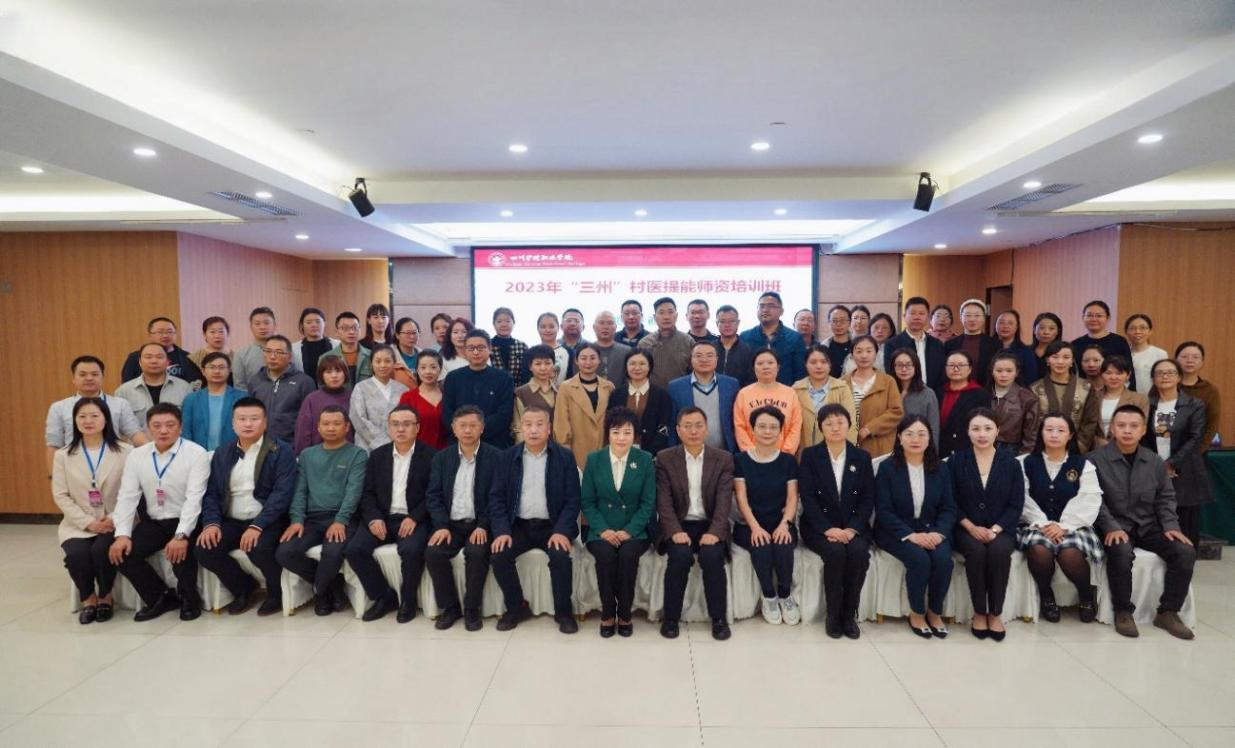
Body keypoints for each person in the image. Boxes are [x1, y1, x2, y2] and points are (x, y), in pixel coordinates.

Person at [1090, 405, 1196, 639]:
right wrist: (1110, 526)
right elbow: (1094, 500)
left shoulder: (1155, 461)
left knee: (1185, 551)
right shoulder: (1095, 460)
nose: (1127, 430)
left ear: (1143, 430)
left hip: (1148, 525)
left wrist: (1171, 526)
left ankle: (1168, 612)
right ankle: (1123, 612)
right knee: (1121, 551)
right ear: (1112, 429)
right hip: (1115, 525)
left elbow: (1166, 497)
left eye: (1134, 426)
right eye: (1121, 425)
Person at [193, 397, 296, 617]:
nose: (248, 424)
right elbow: (212, 493)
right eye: (242, 419)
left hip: (268, 520)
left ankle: (275, 593)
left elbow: (282, 494)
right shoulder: (223, 453)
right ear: (233, 424)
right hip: (232, 519)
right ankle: (243, 588)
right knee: (205, 549)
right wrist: (212, 523)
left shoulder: (280, 450)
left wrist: (257, 526)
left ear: (265, 422)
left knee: (259, 547)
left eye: (254, 419)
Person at [108, 403, 210, 621]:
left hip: (188, 520)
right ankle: (160, 597)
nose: (163, 431)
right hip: (154, 521)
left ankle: (190, 599)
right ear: (148, 428)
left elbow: (194, 498)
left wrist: (181, 535)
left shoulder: (195, 453)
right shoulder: (137, 455)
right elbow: (127, 496)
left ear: (180, 427)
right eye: (157, 425)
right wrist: (122, 534)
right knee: (123, 554)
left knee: (181, 554)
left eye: (170, 425)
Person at [488, 405, 580, 634]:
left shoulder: (565, 457)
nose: (534, 430)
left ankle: (564, 613)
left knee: (560, 557)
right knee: (499, 555)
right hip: (518, 525)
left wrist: (562, 531)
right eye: (528, 425)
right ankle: (516, 607)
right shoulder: (507, 457)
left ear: (549, 428)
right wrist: (502, 531)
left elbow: (573, 500)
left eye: (540, 424)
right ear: (521, 428)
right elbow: (496, 498)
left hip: (553, 526)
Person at [345, 405, 436, 622]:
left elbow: (434, 494)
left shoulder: (431, 456)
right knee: (354, 550)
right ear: (388, 427)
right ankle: (383, 596)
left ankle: (408, 601)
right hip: (382, 517)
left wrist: (414, 517)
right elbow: (367, 493)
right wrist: (374, 518)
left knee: (412, 550)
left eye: (406, 424)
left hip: (413, 518)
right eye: (395, 424)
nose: (400, 429)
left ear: (417, 428)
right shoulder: (378, 456)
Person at [276, 406, 367, 616]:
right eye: (325, 424)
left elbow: (354, 492)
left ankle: (320, 593)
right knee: (285, 552)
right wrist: (297, 520)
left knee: (332, 552)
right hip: (312, 519)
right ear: (318, 427)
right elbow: (300, 490)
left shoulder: (358, 454)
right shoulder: (307, 455)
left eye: (336, 423)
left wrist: (341, 520)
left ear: (347, 427)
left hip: (343, 518)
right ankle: (332, 586)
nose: (331, 428)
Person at [655, 407, 734, 641]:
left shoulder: (723, 459)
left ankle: (718, 619)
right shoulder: (665, 458)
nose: (693, 431)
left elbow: (724, 502)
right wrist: (674, 531)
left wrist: (715, 532)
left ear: (707, 429)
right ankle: (671, 618)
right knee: (679, 557)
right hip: (679, 523)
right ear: (678, 430)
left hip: (710, 524)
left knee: (712, 557)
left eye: (699, 425)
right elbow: (663, 502)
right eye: (687, 426)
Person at [875, 414, 957, 638]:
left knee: (943, 561)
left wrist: (939, 533)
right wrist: (911, 535)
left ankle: (935, 612)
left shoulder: (940, 468)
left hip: (933, 530)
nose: (915, 439)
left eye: (922, 434)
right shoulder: (887, 468)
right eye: (909, 434)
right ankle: (917, 612)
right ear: (899, 437)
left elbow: (949, 508)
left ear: (929, 438)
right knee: (920, 560)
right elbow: (884, 510)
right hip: (896, 532)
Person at [52, 398, 132, 624]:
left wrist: (113, 518)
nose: (88, 421)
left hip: (114, 520)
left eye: (95, 416)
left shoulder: (126, 451)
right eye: (82, 416)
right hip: (78, 523)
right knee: (76, 554)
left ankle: (106, 597)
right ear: (75, 421)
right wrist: (87, 522)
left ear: (106, 419)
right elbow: (60, 495)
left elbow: (131, 492)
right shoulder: (63, 455)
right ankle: (88, 599)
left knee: (100, 551)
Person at [798, 403, 874, 639]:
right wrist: (827, 529)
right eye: (829, 423)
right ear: (821, 427)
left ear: (849, 425)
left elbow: (868, 499)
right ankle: (833, 615)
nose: (835, 427)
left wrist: (852, 529)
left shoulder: (862, 457)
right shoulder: (810, 456)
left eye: (840, 422)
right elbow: (808, 498)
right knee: (835, 553)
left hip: (854, 526)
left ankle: (849, 615)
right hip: (819, 527)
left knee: (859, 554)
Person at [1017, 413, 1103, 624]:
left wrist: (1065, 526)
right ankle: (1046, 596)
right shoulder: (1024, 462)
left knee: (1069, 553)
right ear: (1041, 433)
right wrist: (1044, 524)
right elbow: (1021, 498)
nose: (1054, 434)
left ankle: (1086, 596)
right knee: (1039, 549)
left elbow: (1089, 499)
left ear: (1070, 435)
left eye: (1061, 430)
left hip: (1075, 525)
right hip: (1036, 524)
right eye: (1049, 429)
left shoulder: (1083, 464)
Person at [949, 408, 1024, 641]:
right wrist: (971, 527)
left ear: (997, 431)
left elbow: (1016, 504)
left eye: (988, 428)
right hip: (965, 527)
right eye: (976, 429)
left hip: (1000, 528)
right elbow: (949, 501)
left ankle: (996, 613)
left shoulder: (1011, 463)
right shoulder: (956, 461)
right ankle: (980, 612)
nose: (982, 434)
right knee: (976, 551)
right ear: (968, 432)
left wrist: (995, 529)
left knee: (999, 552)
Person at [581, 406, 656, 637]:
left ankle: (624, 614)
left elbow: (648, 503)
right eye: (616, 432)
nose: (621, 438)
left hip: (635, 530)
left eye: (627, 432)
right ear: (608, 434)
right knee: (605, 556)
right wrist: (603, 530)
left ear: (635, 435)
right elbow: (588, 502)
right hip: (600, 529)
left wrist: (629, 531)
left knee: (627, 556)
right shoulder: (594, 459)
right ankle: (607, 613)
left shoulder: (645, 460)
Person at [424, 406, 499, 630]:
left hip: (480, 525)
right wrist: (441, 525)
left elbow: (497, 497)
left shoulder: (496, 457)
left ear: (482, 428)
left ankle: (471, 608)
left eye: (473, 425)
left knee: (477, 553)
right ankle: (450, 608)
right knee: (433, 553)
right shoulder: (441, 458)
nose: (467, 430)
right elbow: (433, 496)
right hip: (450, 525)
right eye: (462, 426)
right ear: (454, 429)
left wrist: (483, 525)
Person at [733, 406, 801, 626]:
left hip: (780, 521)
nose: (767, 431)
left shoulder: (788, 461)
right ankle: (769, 596)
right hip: (748, 524)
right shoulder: (740, 460)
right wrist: (755, 527)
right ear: (752, 429)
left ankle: (785, 595)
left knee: (783, 543)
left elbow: (792, 498)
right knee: (761, 544)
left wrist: (785, 524)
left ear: (781, 431)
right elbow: (741, 499)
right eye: (762, 426)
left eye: (773, 427)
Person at [1144, 359, 1212, 547]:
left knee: (1186, 521)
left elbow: (1195, 437)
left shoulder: (1194, 404)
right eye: (1160, 373)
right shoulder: (1148, 404)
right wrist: (1158, 465)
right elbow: (1143, 438)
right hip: (1154, 469)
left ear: (1179, 377)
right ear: (1153, 379)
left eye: (1170, 372)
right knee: (1159, 518)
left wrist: (1172, 463)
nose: (1165, 376)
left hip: (1185, 470)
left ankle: (1187, 559)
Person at [46, 356, 144, 472]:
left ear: (102, 377)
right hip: (74, 469)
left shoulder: (120, 404)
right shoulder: (59, 408)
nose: (89, 378)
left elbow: (135, 434)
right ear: (73, 379)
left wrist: (153, 454)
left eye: (94, 374)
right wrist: (53, 476)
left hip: (113, 468)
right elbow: (53, 444)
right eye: (83, 375)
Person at [441, 329, 515, 449]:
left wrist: (475, 431)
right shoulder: (453, 378)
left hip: (494, 444)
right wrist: (465, 431)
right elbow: (447, 413)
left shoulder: (504, 378)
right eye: (471, 348)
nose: (476, 352)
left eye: (481, 348)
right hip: (459, 443)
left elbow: (505, 414)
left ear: (490, 349)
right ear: (465, 351)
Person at [668, 340, 740, 453]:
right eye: (698, 356)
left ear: (717, 359)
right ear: (691, 359)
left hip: (725, 453)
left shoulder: (731, 385)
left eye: (709, 355)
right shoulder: (676, 387)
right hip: (688, 453)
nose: (704, 360)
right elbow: (672, 424)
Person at [554, 343, 615, 470]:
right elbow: (561, 422)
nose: (588, 362)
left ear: (599, 360)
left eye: (592, 358)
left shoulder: (608, 387)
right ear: (576, 361)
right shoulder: (566, 387)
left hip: (604, 448)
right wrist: (565, 450)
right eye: (583, 358)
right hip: (576, 448)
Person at [1030, 341, 1099, 453]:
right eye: (1055, 357)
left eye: (1066, 357)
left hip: (1075, 449)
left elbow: (1090, 421)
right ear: (1047, 360)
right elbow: (1031, 424)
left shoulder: (1085, 387)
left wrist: (1078, 446)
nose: (1060, 361)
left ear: (1072, 361)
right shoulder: (1035, 388)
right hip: (1042, 448)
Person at [246, 334, 316, 445]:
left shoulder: (304, 382)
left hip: (291, 445)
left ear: (290, 356)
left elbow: (310, 420)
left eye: (279, 352)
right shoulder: (255, 381)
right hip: (260, 445)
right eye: (268, 351)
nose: (272, 356)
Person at [114, 343, 194, 437]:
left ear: (167, 362)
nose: (154, 361)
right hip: (138, 446)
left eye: (159, 357)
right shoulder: (124, 391)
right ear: (140, 362)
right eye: (148, 357)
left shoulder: (184, 388)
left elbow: (190, 423)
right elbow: (119, 427)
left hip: (176, 444)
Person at [734, 349, 802, 454]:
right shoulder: (743, 394)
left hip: (783, 456)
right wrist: (751, 454)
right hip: (751, 456)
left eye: (770, 363)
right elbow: (739, 427)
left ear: (778, 367)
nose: (765, 367)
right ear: (753, 368)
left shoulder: (790, 393)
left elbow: (795, 427)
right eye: (760, 363)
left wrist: (785, 454)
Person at [845, 336, 904, 456]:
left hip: (879, 446)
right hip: (848, 446)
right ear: (852, 355)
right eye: (859, 351)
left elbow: (896, 412)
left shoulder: (888, 381)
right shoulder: (842, 383)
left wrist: (869, 429)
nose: (864, 355)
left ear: (876, 354)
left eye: (869, 351)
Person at [793, 344, 858, 450]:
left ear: (830, 364)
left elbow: (851, 422)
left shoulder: (842, 388)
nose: (819, 366)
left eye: (823, 362)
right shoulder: (796, 389)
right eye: (813, 362)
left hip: (835, 451)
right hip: (803, 452)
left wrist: (848, 451)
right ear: (805, 365)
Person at [612, 348, 673, 457]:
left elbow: (664, 427)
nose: (637, 368)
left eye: (642, 364)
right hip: (620, 452)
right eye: (632, 364)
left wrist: (649, 454)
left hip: (652, 455)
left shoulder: (661, 395)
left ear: (650, 367)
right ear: (626, 367)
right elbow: (612, 424)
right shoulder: (616, 394)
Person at [349, 345, 410, 452]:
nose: (383, 365)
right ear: (371, 364)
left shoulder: (403, 390)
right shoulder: (361, 388)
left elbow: (408, 419)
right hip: (367, 447)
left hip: (398, 446)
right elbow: (358, 419)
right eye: (378, 361)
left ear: (394, 363)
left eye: (387, 361)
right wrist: (383, 443)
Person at [180, 352, 245, 451]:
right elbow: (186, 431)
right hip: (199, 455)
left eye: (221, 367)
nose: (217, 371)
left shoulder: (242, 397)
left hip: (233, 454)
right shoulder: (191, 399)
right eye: (212, 367)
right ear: (203, 371)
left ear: (229, 370)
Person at [739, 291, 806, 386]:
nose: (765, 310)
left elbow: (800, 373)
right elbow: (742, 371)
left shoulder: (794, 338)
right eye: (761, 306)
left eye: (770, 306)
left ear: (781, 311)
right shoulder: (745, 337)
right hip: (753, 392)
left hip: (785, 391)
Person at [937, 351, 994, 459]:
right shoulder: (938, 392)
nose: (955, 369)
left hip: (967, 453)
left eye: (961, 365)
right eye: (951, 365)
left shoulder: (980, 395)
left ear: (970, 369)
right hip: (941, 452)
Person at [294, 356, 353, 456]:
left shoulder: (354, 396)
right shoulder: (312, 399)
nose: (334, 376)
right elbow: (303, 432)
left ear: (345, 373)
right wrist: (303, 456)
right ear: (321, 375)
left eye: (338, 371)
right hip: (318, 456)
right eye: (328, 372)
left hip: (349, 454)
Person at [120, 316, 203, 386]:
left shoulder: (187, 357)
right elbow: (127, 383)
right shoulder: (135, 357)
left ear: (175, 334)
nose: (165, 335)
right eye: (160, 332)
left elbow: (193, 383)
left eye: (169, 332)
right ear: (150, 335)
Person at [1071, 300, 1136, 390]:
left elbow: (1128, 370)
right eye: (1089, 315)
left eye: (1099, 316)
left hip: (1114, 391)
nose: (1094, 319)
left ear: (1108, 318)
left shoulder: (1119, 341)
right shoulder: (1075, 344)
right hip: (1082, 391)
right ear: (1083, 317)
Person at [885, 297, 945, 388]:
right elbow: (891, 374)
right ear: (904, 316)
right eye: (912, 313)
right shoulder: (892, 344)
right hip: (904, 394)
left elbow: (941, 375)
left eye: (921, 313)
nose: (917, 317)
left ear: (928, 317)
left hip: (933, 394)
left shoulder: (937, 344)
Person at [988, 352, 1039, 454]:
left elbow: (1031, 435)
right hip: (983, 447)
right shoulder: (982, 394)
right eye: (999, 371)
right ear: (992, 372)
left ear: (1017, 372)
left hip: (1013, 450)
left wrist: (1022, 458)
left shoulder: (1027, 398)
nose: (1004, 375)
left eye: (1009, 371)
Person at [1093, 355, 1148, 449]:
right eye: (1108, 373)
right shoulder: (1093, 396)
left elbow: (1140, 427)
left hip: (1126, 448)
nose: (1114, 377)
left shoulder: (1140, 399)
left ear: (1128, 375)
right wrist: (1098, 442)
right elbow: (1087, 426)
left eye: (1119, 373)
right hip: (1095, 449)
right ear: (1101, 374)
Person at [638, 297, 694, 389]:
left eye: (670, 312)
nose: (666, 317)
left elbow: (694, 372)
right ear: (654, 317)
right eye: (661, 312)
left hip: (681, 393)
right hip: (652, 394)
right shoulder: (644, 343)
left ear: (676, 316)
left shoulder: (688, 341)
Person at [944, 299, 999, 387]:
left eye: (977, 315)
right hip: (956, 389)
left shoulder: (994, 344)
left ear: (984, 318)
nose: (972, 319)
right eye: (967, 315)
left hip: (985, 390)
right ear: (961, 317)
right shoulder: (950, 344)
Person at [1177, 341, 1221, 451]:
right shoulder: (1164, 386)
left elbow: (1212, 426)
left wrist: (1197, 451)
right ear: (1175, 360)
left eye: (1195, 357)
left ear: (1202, 362)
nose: (1190, 360)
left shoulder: (1210, 390)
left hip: (1196, 451)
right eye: (1184, 356)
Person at [399, 350, 447, 450]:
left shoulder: (449, 396)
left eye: (433, 367)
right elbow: (403, 429)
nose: (428, 371)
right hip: (418, 453)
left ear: (440, 369)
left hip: (446, 453)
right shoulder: (408, 398)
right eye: (423, 367)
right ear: (417, 370)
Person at [891, 348, 939, 445]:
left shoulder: (927, 394)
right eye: (899, 365)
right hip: (890, 446)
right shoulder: (887, 391)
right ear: (893, 367)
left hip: (918, 446)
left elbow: (933, 428)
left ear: (916, 367)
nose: (904, 369)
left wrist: (932, 451)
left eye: (908, 365)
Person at [512, 344, 558, 444]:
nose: (543, 368)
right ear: (530, 367)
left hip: (559, 446)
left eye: (547, 363)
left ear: (553, 365)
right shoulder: (521, 393)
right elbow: (518, 426)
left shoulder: (561, 390)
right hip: (533, 446)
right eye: (538, 364)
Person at [231, 307, 278, 393]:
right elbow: (239, 386)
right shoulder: (240, 354)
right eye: (257, 324)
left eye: (266, 323)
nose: (262, 327)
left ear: (275, 325)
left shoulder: (286, 351)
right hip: (252, 400)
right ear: (251, 327)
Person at [323, 312, 373, 384]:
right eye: (345, 328)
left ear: (360, 330)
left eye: (355, 327)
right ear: (336, 332)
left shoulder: (372, 356)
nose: (351, 332)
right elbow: (323, 387)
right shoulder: (325, 358)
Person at [522, 312, 571, 385]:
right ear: (538, 329)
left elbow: (571, 378)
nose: (547, 330)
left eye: (551, 327)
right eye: (543, 327)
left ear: (558, 328)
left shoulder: (568, 352)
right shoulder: (529, 353)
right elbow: (525, 379)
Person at [291, 307, 339, 382]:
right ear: (302, 325)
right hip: (305, 387)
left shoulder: (337, 344)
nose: (314, 325)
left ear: (324, 323)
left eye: (318, 322)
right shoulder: (293, 348)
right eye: (308, 322)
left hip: (333, 386)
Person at [993, 309, 1039, 386]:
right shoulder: (987, 348)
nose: (1005, 326)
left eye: (1010, 323)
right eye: (1001, 322)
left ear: (1017, 327)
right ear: (995, 325)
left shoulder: (1026, 352)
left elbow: (1031, 380)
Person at [714, 304, 756, 386]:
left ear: (738, 323)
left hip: (740, 393)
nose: (727, 325)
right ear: (717, 323)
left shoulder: (748, 350)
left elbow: (752, 379)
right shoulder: (710, 348)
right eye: (722, 321)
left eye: (731, 321)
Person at [1124, 314, 1166, 394]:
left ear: (1150, 331)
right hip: (1126, 398)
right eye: (1132, 328)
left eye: (1142, 328)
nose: (1137, 332)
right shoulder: (1121, 353)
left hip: (1151, 398)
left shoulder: (1160, 354)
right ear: (1126, 332)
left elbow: (1163, 380)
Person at [489, 307, 528, 387]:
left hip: (518, 391)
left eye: (508, 321)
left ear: (514, 323)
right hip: (493, 391)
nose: (504, 325)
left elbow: (526, 374)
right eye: (499, 321)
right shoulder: (487, 346)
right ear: (493, 324)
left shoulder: (522, 346)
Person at [591, 311, 629, 387]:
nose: (605, 327)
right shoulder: (586, 351)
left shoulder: (627, 351)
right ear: (594, 327)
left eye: (610, 323)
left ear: (615, 327)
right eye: (601, 323)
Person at [818, 305, 853, 375]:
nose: (838, 324)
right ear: (829, 323)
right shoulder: (823, 347)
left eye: (842, 320)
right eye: (834, 321)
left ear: (849, 323)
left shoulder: (858, 345)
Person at [1031, 312, 1063, 378]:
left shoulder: (1062, 353)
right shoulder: (1025, 351)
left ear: (1058, 331)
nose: (1046, 332)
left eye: (1051, 329)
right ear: (1034, 330)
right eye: (1042, 328)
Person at [392, 316, 423, 382]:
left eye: (414, 333)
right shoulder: (391, 355)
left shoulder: (423, 354)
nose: (412, 336)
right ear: (397, 335)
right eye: (407, 333)